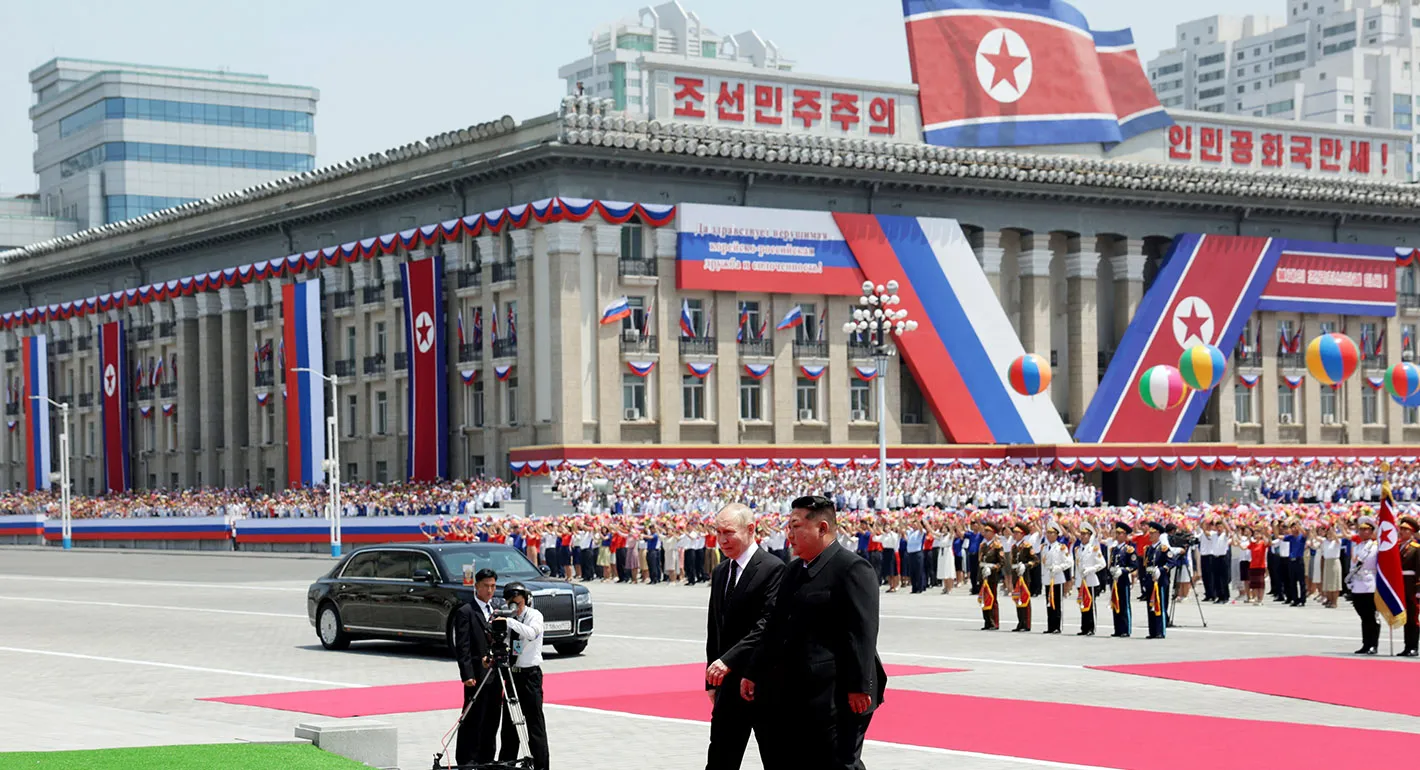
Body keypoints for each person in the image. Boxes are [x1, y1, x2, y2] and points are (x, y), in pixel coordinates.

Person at [742, 495, 886, 770]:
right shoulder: (795, 570)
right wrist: (753, 670)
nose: (789, 534)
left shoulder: (852, 569)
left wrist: (859, 687)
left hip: (841, 694)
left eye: (796, 526)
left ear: (821, 528)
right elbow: (775, 626)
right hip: (802, 692)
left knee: (840, 764)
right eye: (788, 526)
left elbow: (862, 632)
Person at [705, 503, 785, 770]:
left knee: (776, 757)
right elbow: (714, 629)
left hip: (763, 683)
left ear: (750, 530)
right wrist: (711, 680)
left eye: (729, 532)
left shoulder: (773, 568)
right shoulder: (721, 572)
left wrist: (729, 660)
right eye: (718, 532)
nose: (723, 540)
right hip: (727, 684)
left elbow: (767, 625)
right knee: (720, 760)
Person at [496, 581, 549, 770]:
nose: (515, 608)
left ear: (525, 601)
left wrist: (510, 621)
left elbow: (532, 633)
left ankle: (541, 765)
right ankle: (507, 763)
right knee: (509, 726)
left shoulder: (534, 616)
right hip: (512, 676)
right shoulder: (508, 617)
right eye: (511, 604)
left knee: (534, 724)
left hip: (530, 676)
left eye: (518, 604)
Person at [454, 568, 502, 767]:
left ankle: (487, 758)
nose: (490, 590)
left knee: (492, 718)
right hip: (476, 674)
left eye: (493, 586)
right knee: (473, 717)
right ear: (477, 587)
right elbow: (462, 646)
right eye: (486, 586)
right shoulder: (466, 611)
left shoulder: (497, 610)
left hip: (495, 674)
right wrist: (467, 674)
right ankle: (467, 758)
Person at [1346, 517, 1380, 655]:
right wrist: (1351, 582)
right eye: (1361, 529)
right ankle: (1365, 644)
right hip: (1358, 584)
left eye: (1366, 529)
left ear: (1372, 531)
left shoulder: (1375, 547)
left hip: (1370, 583)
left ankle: (1373, 645)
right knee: (1363, 616)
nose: (1363, 532)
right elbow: (1353, 565)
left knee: (1372, 616)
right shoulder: (1356, 547)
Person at [1073, 522, 1105, 636]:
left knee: (1090, 604)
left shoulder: (1094, 549)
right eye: (1081, 534)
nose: (1082, 536)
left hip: (1091, 580)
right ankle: (1084, 627)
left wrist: (1090, 569)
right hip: (1081, 580)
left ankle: (1091, 627)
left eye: (1085, 534)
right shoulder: (1077, 549)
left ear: (1090, 536)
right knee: (1082, 603)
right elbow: (1076, 565)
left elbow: (1102, 564)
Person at [1041, 521, 1073, 634]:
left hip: (1057, 578)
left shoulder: (1061, 547)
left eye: (1051, 533)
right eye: (1048, 533)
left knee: (1056, 602)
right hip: (1047, 578)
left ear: (1056, 535)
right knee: (1048, 602)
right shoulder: (1044, 547)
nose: (1049, 535)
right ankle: (1050, 625)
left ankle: (1057, 626)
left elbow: (1069, 562)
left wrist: (1058, 568)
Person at [1140, 522, 1170, 639]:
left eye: (1153, 533)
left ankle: (1160, 631)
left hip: (1160, 581)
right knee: (1150, 606)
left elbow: (1171, 562)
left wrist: (1161, 570)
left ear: (1158, 534)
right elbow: (1146, 565)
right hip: (1150, 581)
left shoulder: (1163, 548)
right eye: (1150, 533)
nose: (1150, 536)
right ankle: (1152, 631)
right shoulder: (1148, 549)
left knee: (1160, 606)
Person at [1009, 522, 1037, 632]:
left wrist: (1026, 566)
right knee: (1018, 598)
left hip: (1024, 575)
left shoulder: (1027, 546)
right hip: (1016, 574)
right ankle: (1020, 622)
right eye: (1014, 532)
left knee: (1025, 599)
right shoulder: (1014, 546)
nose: (1014, 535)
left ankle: (1026, 623)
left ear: (1022, 534)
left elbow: (1035, 560)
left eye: (1017, 533)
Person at [1109, 522, 1135, 638]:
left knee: (1124, 604)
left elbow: (1134, 565)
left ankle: (1126, 629)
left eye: (1120, 533)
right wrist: (1112, 570)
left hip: (1124, 579)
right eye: (1117, 533)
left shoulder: (1129, 549)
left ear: (1125, 535)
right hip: (1115, 580)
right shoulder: (1114, 549)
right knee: (1116, 603)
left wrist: (1123, 571)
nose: (1118, 535)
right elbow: (1111, 563)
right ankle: (1117, 628)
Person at [1398, 515, 1420, 657]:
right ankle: (1407, 646)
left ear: (1411, 532)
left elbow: (1419, 569)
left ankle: (1413, 647)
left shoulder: (1416, 548)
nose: (1401, 531)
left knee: (1413, 617)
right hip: (1401, 585)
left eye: (1405, 529)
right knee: (1405, 618)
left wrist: (1418, 589)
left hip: (1412, 585)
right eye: (1401, 529)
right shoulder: (1398, 546)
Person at [978, 521, 1005, 631]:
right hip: (983, 574)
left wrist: (992, 567)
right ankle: (987, 621)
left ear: (993, 533)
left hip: (992, 575)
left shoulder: (997, 545)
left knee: (992, 598)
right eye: (985, 531)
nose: (985, 533)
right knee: (985, 598)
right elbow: (980, 560)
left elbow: (1002, 562)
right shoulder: (983, 545)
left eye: (988, 531)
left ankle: (994, 622)